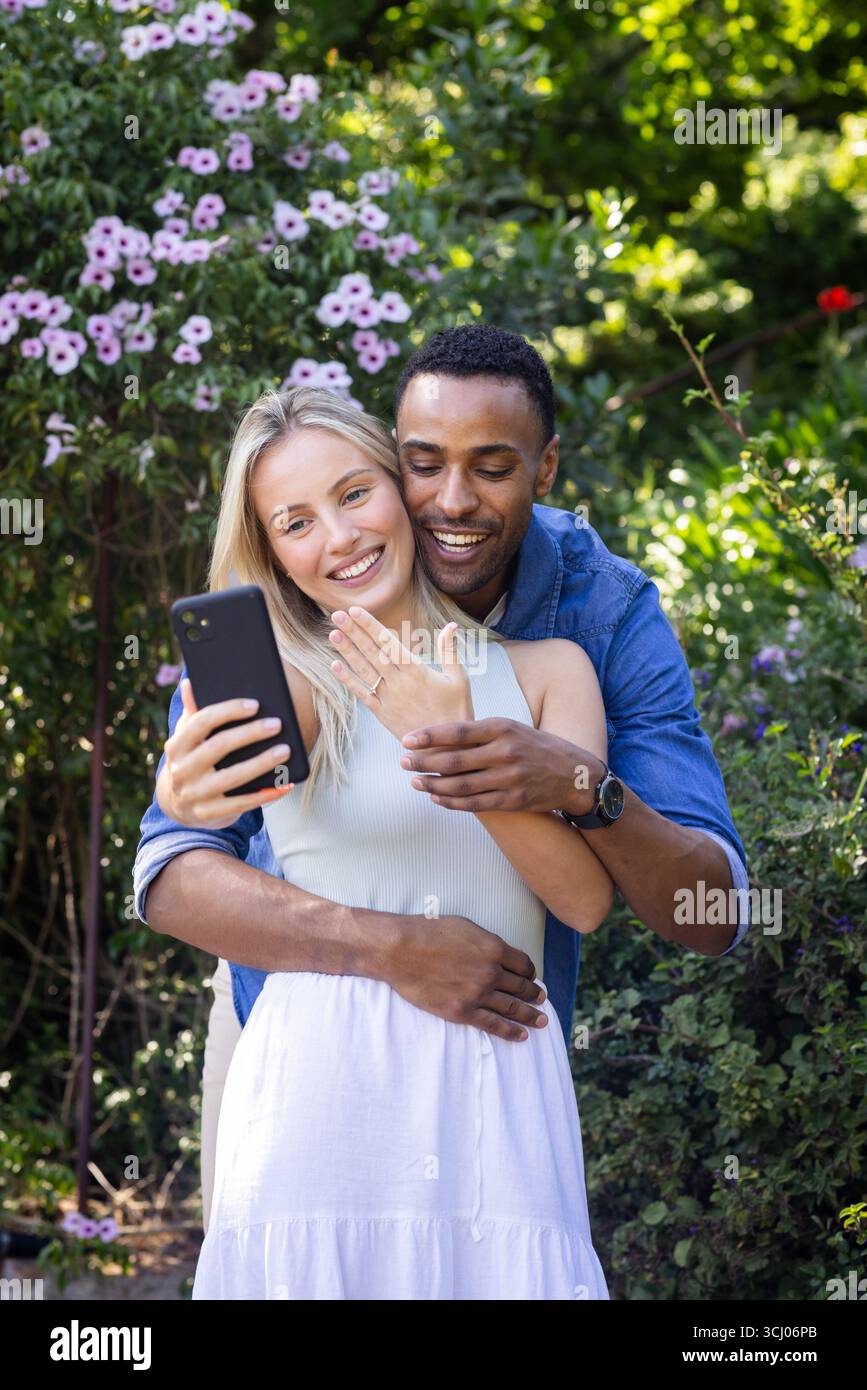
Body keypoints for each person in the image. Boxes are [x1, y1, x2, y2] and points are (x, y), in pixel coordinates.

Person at [133, 325, 749, 1237]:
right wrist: (390, 946)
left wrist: (578, 785)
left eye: (491, 468)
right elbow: (175, 870)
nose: (449, 500)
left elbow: (695, 908)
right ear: (398, 458)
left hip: (495, 1048)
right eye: (424, 465)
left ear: (544, 470)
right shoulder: (286, 660)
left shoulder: (589, 624)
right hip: (297, 1001)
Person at [161, 384, 614, 1298]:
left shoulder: (547, 674)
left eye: (353, 494)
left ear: (400, 491)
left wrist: (446, 744)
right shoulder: (289, 682)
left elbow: (584, 901)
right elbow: (187, 864)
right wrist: (182, 791)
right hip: (321, 1081)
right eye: (294, 522)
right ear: (272, 554)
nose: (338, 538)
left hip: (496, 1073)